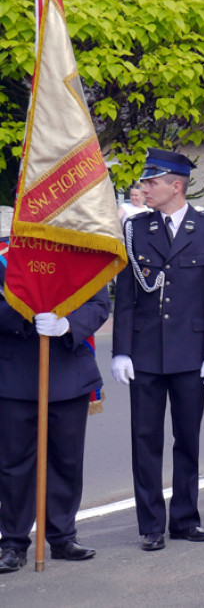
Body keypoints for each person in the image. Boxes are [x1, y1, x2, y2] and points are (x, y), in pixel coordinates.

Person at [111, 148, 204, 552]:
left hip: (191, 353)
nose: (144, 188)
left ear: (175, 186)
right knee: (145, 439)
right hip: (145, 353)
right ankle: (151, 525)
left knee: (188, 439)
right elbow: (126, 295)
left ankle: (185, 518)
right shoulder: (135, 230)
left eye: (152, 182)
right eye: (145, 182)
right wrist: (121, 351)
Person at [0, 214, 109, 571]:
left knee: (66, 461)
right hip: (15, 376)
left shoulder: (80, 254)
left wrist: (67, 324)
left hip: (67, 373)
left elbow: (98, 305)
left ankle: (62, 536)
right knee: (15, 465)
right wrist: (24, 318)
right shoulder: (6, 252)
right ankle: (13, 542)